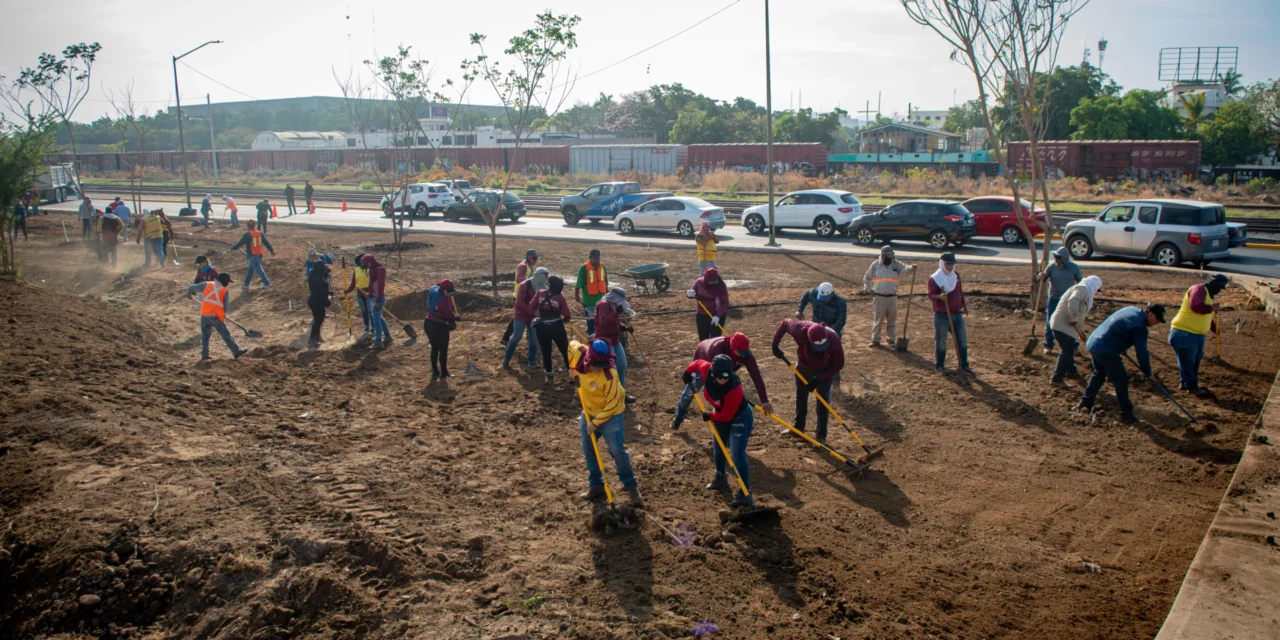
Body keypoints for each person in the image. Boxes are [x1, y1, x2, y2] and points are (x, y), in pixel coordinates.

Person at [569, 339, 643, 507]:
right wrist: (571, 368)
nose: (599, 368)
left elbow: (614, 403)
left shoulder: (610, 375)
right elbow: (570, 345)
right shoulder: (580, 352)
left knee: (617, 450)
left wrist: (595, 423)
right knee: (588, 448)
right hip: (588, 412)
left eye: (602, 364)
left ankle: (632, 489)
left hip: (610, 415)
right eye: (596, 364)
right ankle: (596, 486)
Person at [685, 354, 755, 508]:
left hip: (739, 418)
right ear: (712, 373)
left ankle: (745, 493)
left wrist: (711, 415)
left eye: (726, 377)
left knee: (736, 455)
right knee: (718, 447)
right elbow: (696, 363)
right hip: (720, 415)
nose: (723, 380)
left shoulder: (734, 389)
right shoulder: (706, 369)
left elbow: (726, 416)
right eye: (719, 377)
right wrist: (687, 373)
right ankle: (720, 476)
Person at [1077, 304, 1166, 424]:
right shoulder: (1140, 327)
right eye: (1157, 320)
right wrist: (1147, 372)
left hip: (1094, 342)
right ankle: (1126, 415)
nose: (1157, 323)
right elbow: (1142, 353)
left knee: (1099, 373)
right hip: (1105, 349)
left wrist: (1120, 345)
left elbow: (1118, 327)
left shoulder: (1131, 309)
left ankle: (1086, 402)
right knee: (1121, 381)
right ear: (1151, 314)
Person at [672, 331, 772, 430]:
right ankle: (679, 416)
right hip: (704, 357)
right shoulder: (717, 349)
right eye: (740, 353)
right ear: (732, 348)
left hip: (725, 370)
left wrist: (764, 400)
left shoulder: (746, 356)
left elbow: (756, 376)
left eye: (745, 352)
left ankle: (725, 424)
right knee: (690, 392)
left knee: (727, 395)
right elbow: (712, 378)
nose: (743, 356)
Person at [772, 319, 844, 443]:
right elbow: (784, 323)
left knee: (822, 401)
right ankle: (798, 429)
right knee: (801, 396)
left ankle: (821, 436)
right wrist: (775, 345)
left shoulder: (833, 337)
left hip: (824, 370)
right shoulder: (798, 329)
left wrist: (820, 378)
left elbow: (838, 364)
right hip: (803, 367)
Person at [1168, 274, 1228, 396]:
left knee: (1193, 362)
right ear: (1215, 284)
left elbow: (1206, 315)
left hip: (1196, 335)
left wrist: (1213, 327)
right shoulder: (1198, 289)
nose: (1220, 291)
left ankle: (1185, 383)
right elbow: (1196, 306)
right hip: (1184, 333)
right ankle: (1192, 387)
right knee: (1188, 362)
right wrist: (1211, 308)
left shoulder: (1209, 295)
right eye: (1220, 288)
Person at [1048, 275, 1103, 386]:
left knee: (1069, 348)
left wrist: (1081, 332)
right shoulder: (1082, 289)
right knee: (1067, 351)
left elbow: (1081, 315)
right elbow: (1073, 300)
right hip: (1062, 325)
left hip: (1063, 326)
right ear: (1093, 285)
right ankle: (1057, 379)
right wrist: (1073, 317)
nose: (1096, 292)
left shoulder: (1084, 290)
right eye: (1097, 289)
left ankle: (1071, 371)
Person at [184, 272, 247, 361]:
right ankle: (236, 352)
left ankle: (205, 355)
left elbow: (191, 287)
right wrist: (222, 314)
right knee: (226, 335)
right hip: (216, 317)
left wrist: (189, 294)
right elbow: (225, 306)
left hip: (204, 315)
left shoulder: (206, 284)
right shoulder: (224, 290)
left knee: (205, 336)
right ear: (225, 281)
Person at [927, 252, 972, 375]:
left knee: (962, 339)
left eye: (952, 264)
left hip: (957, 314)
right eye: (947, 264)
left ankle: (964, 364)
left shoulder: (955, 276)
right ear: (942, 264)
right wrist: (940, 297)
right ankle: (939, 365)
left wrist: (964, 305)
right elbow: (930, 294)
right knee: (941, 342)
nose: (950, 267)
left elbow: (959, 292)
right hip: (942, 315)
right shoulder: (935, 278)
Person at [862, 246, 912, 347]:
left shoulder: (896, 264)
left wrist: (912, 267)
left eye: (891, 254)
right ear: (883, 255)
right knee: (878, 320)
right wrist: (868, 289)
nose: (890, 256)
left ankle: (891, 339)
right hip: (879, 297)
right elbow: (866, 278)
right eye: (888, 255)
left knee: (892, 319)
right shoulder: (875, 265)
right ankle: (875, 339)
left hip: (892, 297)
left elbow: (905, 269)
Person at [1039, 246, 1083, 354]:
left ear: (1064, 258)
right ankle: (1049, 345)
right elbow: (1043, 279)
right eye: (1055, 256)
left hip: (1068, 300)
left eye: (1058, 257)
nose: (1056, 259)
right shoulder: (1051, 267)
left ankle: (1074, 346)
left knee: (1070, 323)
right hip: (1054, 298)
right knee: (1050, 322)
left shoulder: (1074, 268)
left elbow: (1080, 282)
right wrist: (1041, 276)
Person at [504, 267, 547, 370]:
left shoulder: (542, 287)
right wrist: (532, 311)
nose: (546, 279)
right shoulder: (524, 285)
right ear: (540, 276)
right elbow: (519, 303)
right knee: (516, 337)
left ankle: (532, 362)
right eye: (545, 277)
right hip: (521, 315)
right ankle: (506, 360)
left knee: (534, 340)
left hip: (533, 317)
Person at [532, 275, 572, 381]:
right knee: (565, 350)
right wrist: (566, 319)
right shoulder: (560, 298)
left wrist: (538, 316)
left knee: (546, 351)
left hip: (542, 327)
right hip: (557, 327)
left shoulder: (540, 293)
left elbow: (532, 306)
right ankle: (571, 373)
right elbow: (567, 314)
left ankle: (549, 375)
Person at [593, 287, 633, 385]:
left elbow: (615, 322)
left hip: (615, 340)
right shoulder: (603, 304)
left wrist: (624, 327)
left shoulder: (612, 304)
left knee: (622, 366)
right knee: (611, 369)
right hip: (605, 341)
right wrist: (616, 312)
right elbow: (603, 322)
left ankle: (621, 390)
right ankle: (613, 392)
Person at [501, 249, 539, 346]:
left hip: (525, 296)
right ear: (529, 257)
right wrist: (532, 280)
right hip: (520, 296)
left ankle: (507, 338)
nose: (535, 260)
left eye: (536, 258)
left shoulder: (529, 265)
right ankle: (506, 337)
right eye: (534, 258)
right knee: (518, 317)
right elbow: (519, 279)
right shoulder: (523, 266)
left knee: (519, 317)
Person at [424, 279, 458, 380]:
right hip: (439, 326)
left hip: (428, 323)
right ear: (443, 290)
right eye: (448, 291)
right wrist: (456, 318)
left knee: (435, 348)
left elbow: (438, 284)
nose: (450, 293)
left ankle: (435, 371)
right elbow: (450, 316)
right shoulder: (443, 301)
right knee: (443, 349)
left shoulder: (434, 289)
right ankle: (443, 372)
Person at [229, 220, 274, 289]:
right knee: (251, 269)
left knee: (259, 269)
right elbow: (266, 242)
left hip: (252, 255)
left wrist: (234, 248)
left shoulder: (247, 235)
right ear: (254, 225)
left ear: (248, 226)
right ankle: (246, 284)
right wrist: (271, 250)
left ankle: (267, 283)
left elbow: (240, 243)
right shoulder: (260, 233)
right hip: (259, 254)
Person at [361, 254, 393, 350]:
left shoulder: (380, 270)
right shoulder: (372, 270)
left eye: (366, 265)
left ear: (370, 262)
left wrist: (378, 301)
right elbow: (372, 284)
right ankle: (387, 336)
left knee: (376, 321)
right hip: (373, 297)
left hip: (377, 299)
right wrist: (369, 293)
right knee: (379, 318)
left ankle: (378, 342)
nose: (366, 267)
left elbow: (381, 287)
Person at [575, 249, 608, 334]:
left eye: (598, 258)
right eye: (595, 258)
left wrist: (607, 296)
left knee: (601, 321)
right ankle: (591, 335)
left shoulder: (602, 267)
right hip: (589, 301)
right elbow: (579, 283)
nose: (597, 260)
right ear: (590, 258)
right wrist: (576, 295)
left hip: (601, 300)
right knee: (591, 323)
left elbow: (605, 282)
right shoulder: (584, 268)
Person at [692, 266, 729, 341]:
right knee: (703, 338)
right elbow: (693, 293)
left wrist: (718, 316)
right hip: (702, 314)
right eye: (711, 282)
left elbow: (725, 303)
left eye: (715, 282)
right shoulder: (699, 283)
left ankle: (714, 352)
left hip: (717, 314)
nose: (713, 284)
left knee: (715, 339)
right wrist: (689, 294)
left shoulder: (721, 285)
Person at [306, 256, 331, 347]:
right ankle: (312, 339)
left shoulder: (314, 275)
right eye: (323, 268)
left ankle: (317, 337)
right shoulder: (317, 279)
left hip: (315, 301)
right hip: (317, 302)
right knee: (318, 320)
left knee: (319, 319)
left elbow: (322, 288)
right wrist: (328, 302)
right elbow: (321, 292)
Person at [346, 253, 373, 335]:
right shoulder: (356, 270)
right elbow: (353, 283)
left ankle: (373, 328)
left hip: (368, 293)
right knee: (364, 311)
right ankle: (367, 327)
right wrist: (347, 291)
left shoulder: (370, 269)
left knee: (370, 311)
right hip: (360, 293)